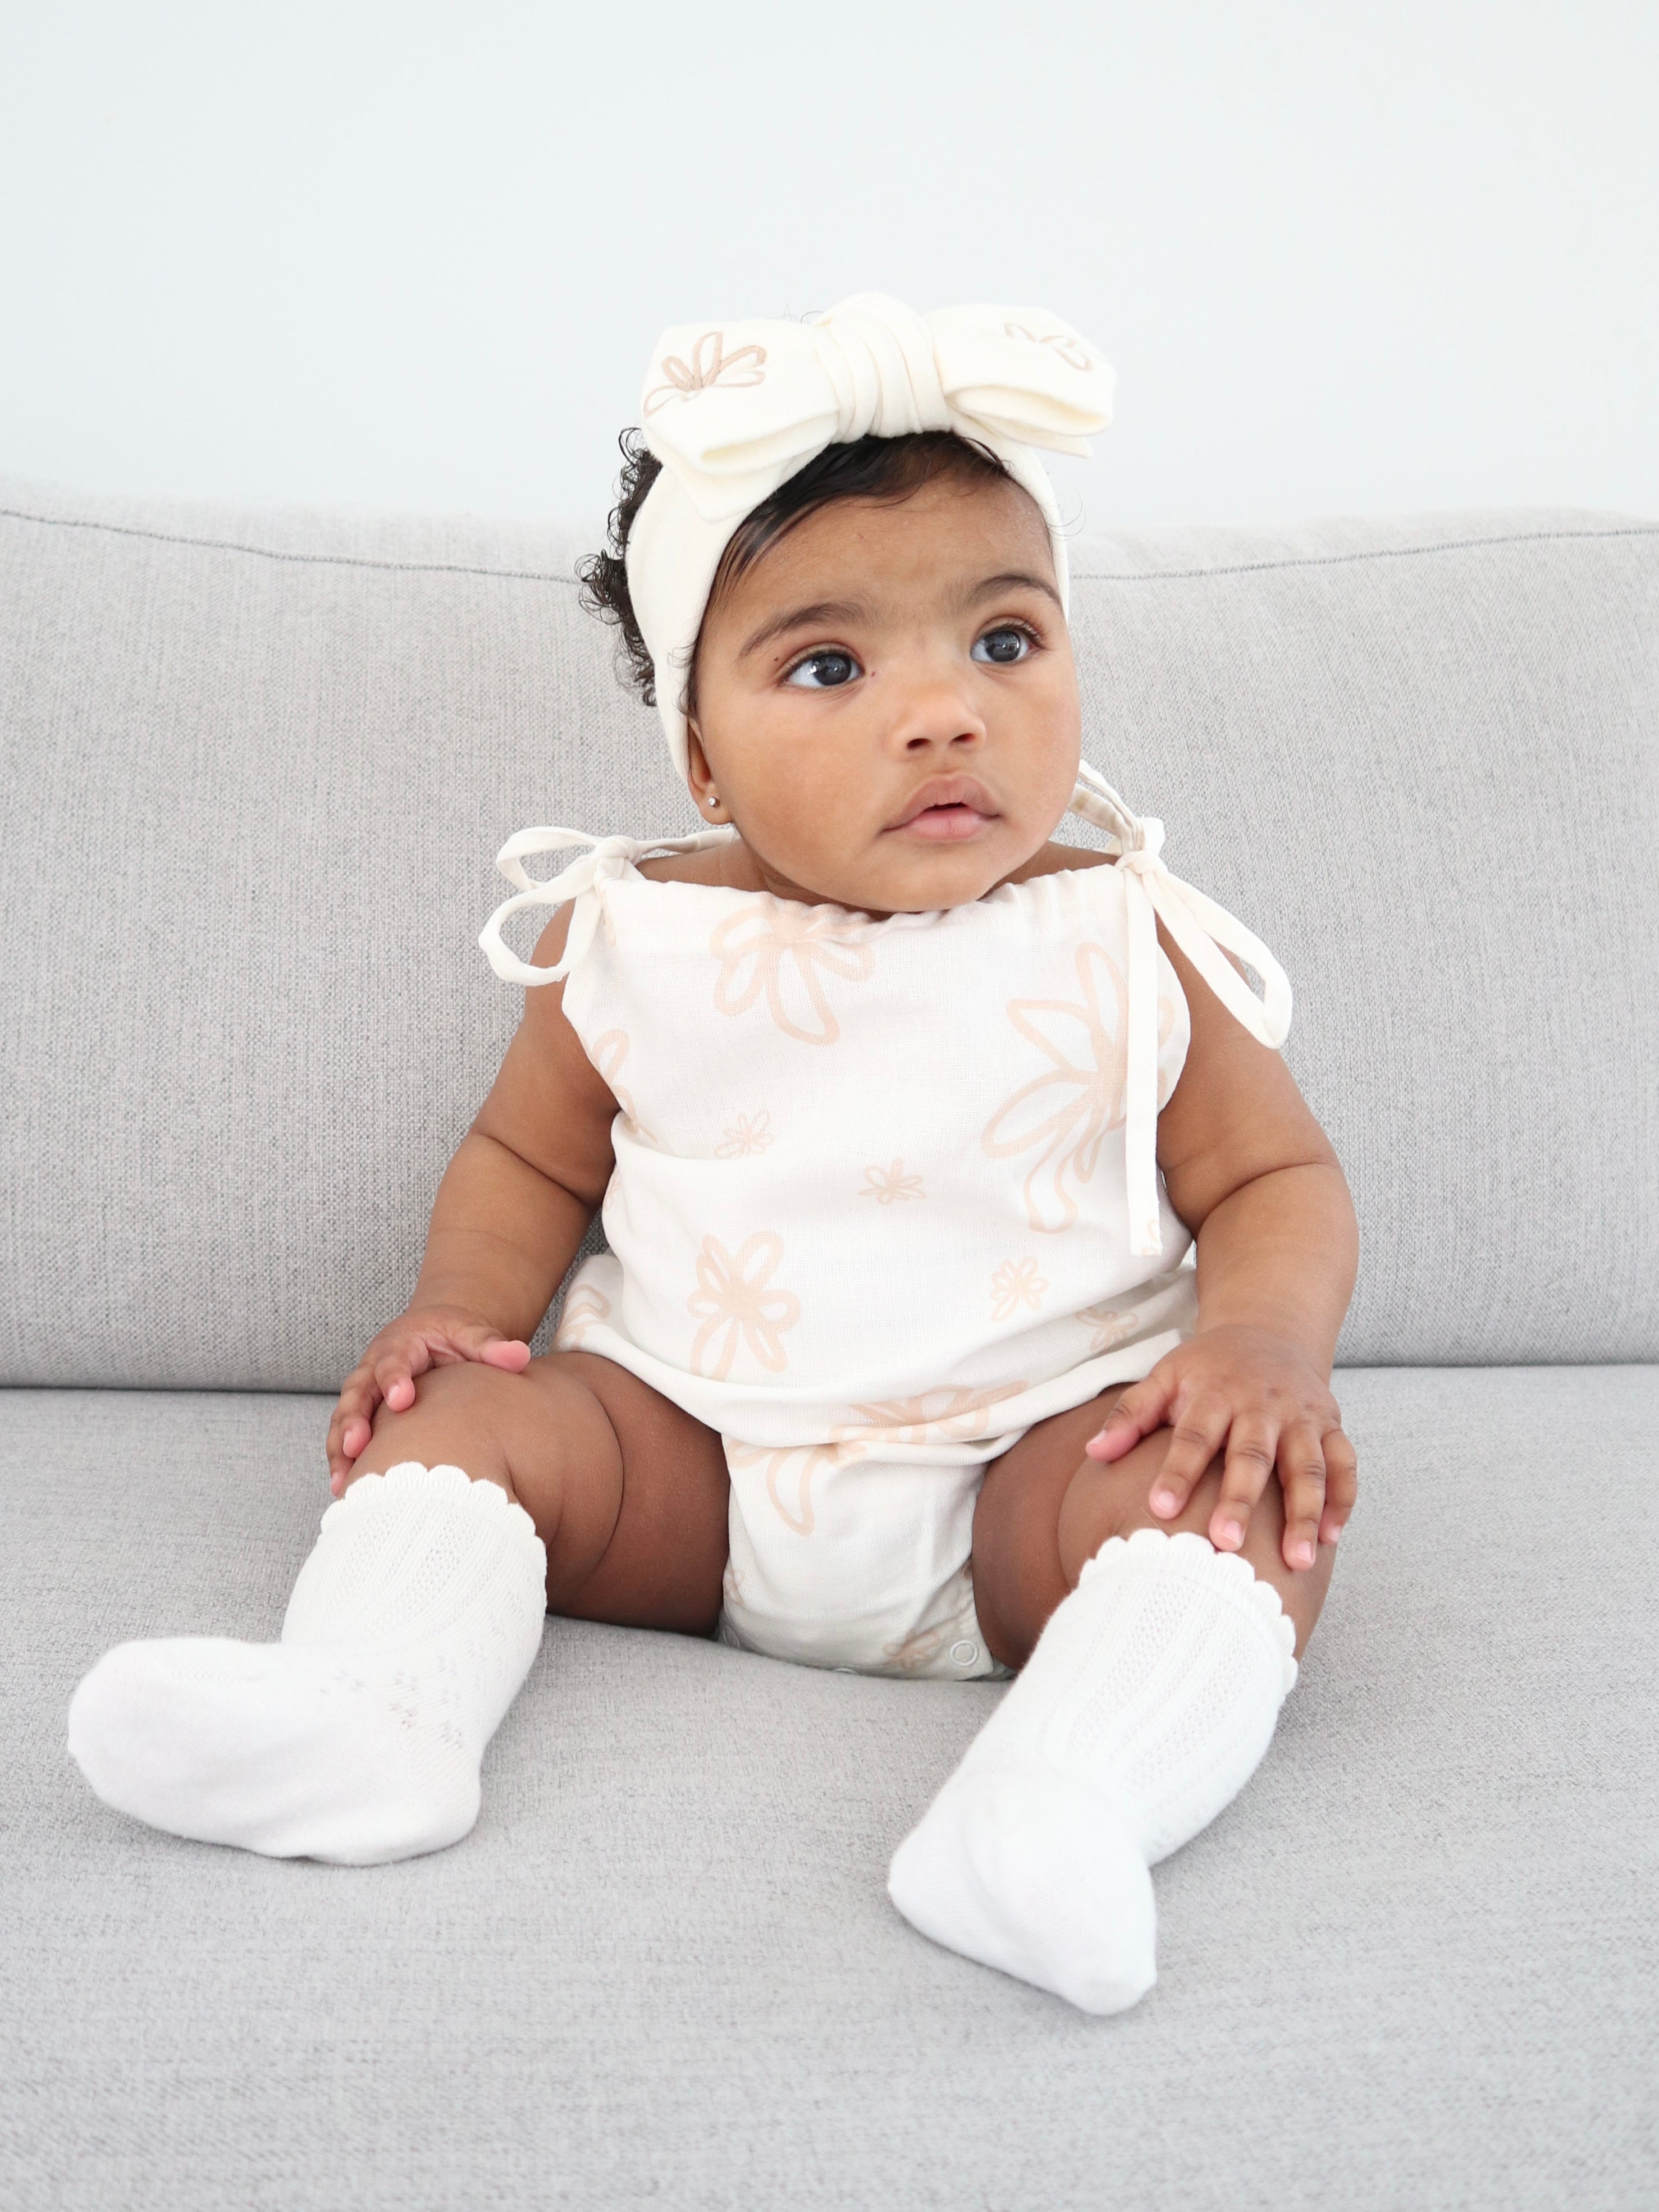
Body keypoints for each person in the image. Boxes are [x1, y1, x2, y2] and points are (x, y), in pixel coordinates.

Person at [67, 294, 1359, 2015]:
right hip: (688, 1463)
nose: (943, 713)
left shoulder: (1123, 937)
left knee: (1236, 1507)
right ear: (700, 751)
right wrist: (458, 1305)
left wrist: (1257, 1346)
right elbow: (528, 1165)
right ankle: (370, 1714)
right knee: (469, 1420)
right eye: (829, 666)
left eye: (1002, 640)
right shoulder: (632, 934)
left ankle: (1060, 1806)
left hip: (1031, 1478)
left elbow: (1274, 1178)